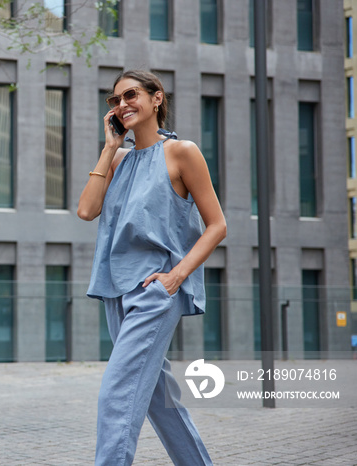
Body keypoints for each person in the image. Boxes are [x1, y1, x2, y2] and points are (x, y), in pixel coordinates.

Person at [78, 69, 226, 465]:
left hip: (154, 291)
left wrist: (177, 277)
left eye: (131, 95)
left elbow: (217, 225)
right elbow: (86, 210)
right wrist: (110, 147)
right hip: (114, 290)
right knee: (160, 400)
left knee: (117, 393)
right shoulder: (119, 159)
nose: (122, 105)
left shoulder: (181, 153)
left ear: (156, 97)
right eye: (115, 101)